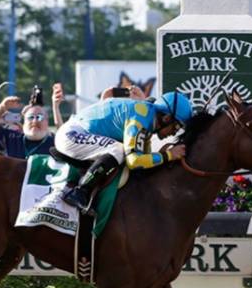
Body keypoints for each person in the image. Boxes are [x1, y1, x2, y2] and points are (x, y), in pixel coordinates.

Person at [55, 90, 191, 212]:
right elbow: (134, 161)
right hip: (71, 135)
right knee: (118, 150)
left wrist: (160, 157)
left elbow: (145, 159)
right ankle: (81, 191)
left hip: (78, 133)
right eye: (176, 126)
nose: (174, 132)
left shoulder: (148, 117)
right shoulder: (140, 119)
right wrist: (169, 155)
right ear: (167, 118)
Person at [0, 84, 64, 159]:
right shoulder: (13, 139)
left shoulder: (53, 143)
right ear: (24, 123)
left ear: (47, 122)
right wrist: (2, 107)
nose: (34, 120)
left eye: (39, 117)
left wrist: (55, 107)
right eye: (30, 117)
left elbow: (63, 137)